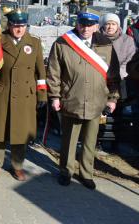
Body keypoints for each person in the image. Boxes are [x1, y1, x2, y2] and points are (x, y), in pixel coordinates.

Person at [47, 12, 120, 190]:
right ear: (77, 24)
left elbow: (114, 75)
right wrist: (54, 96)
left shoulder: (106, 45)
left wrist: (113, 98)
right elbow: (53, 73)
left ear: (96, 26)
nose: (85, 28)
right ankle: (66, 171)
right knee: (69, 140)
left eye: (90, 25)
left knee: (90, 141)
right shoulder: (63, 43)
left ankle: (86, 173)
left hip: (97, 102)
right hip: (72, 99)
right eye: (82, 24)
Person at [0, 10, 47, 181]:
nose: (19, 29)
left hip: (25, 95)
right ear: (9, 25)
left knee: (20, 132)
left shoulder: (34, 43)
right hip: (3, 92)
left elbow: (41, 72)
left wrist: (42, 95)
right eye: (15, 26)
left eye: (22, 26)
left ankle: (17, 166)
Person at [100, 13, 135, 100]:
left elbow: (130, 59)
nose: (110, 27)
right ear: (103, 25)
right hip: (99, 79)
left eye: (113, 24)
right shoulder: (96, 38)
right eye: (107, 24)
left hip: (121, 79)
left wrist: (117, 74)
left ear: (118, 26)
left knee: (118, 107)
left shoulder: (127, 40)